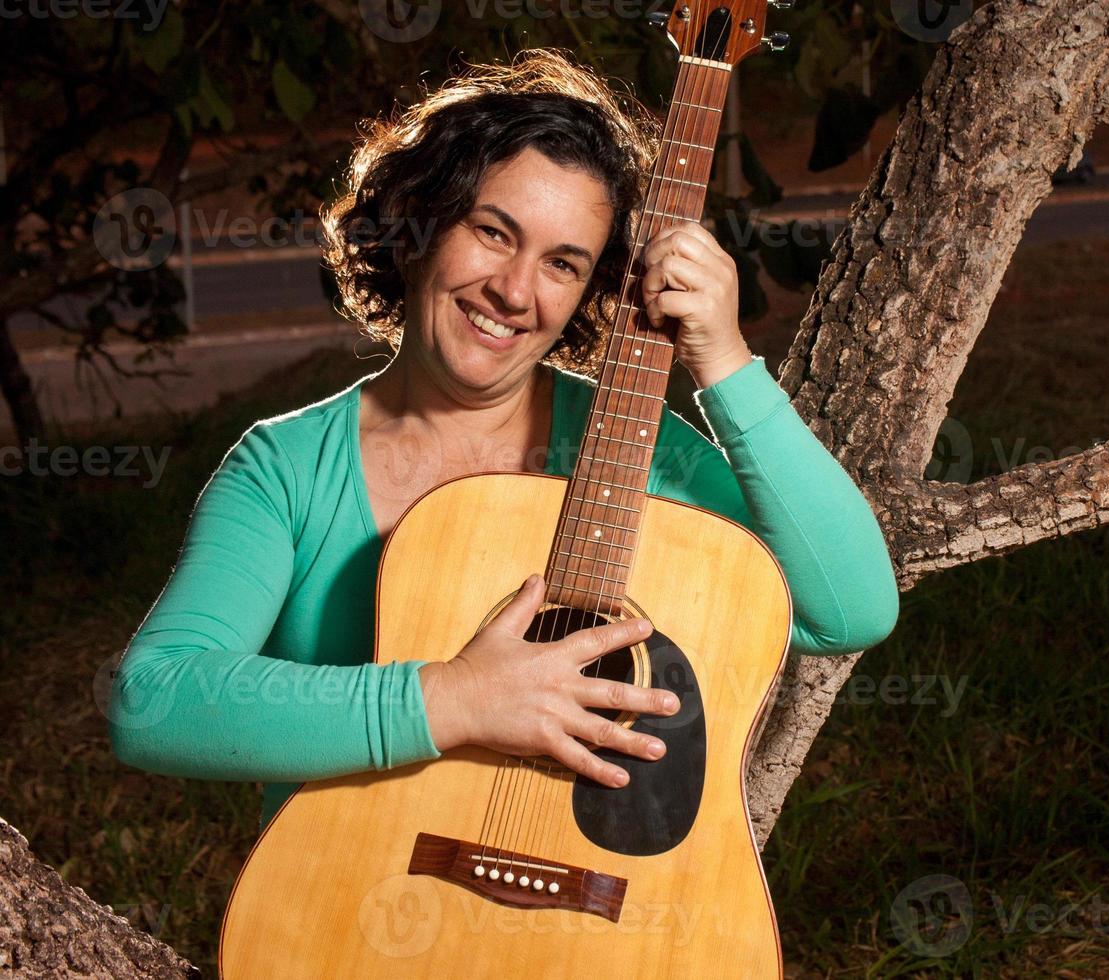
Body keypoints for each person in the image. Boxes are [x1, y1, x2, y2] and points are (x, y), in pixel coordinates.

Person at [109, 50, 899, 831]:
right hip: (346, 907)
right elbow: (153, 703)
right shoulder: (286, 469)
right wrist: (459, 698)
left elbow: (848, 609)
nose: (515, 292)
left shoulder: (628, 447)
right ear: (419, 225)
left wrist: (722, 361)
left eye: (563, 263)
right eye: (493, 232)